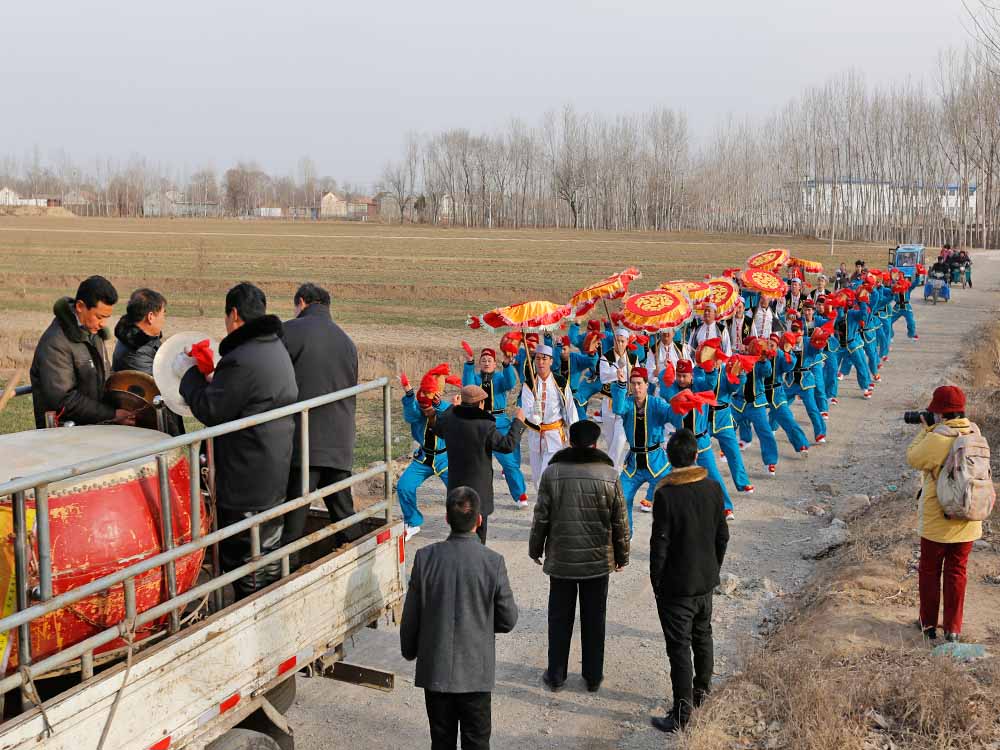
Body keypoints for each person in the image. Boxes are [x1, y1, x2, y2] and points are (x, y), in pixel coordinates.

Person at [179, 282, 298, 600]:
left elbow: (211, 408)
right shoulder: (274, 347)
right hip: (273, 466)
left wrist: (189, 377)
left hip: (247, 477)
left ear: (233, 314)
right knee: (267, 548)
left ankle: (258, 614)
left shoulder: (241, 358)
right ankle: (272, 604)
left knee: (246, 558)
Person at [400, 487, 518, 750]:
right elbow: (508, 619)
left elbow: (411, 615)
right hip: (476, 673)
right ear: (479, 520)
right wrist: (483, 623)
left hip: (436, 672)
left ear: (446, 518)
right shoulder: (493, 562)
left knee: (441, 741)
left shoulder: (425, 557)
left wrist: (409, 650)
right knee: (476, 742)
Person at [529, 419, 629, 693]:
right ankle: (593, 677)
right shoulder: (610, 475)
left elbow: (541, 517)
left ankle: (557, 675)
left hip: (561, 561)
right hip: (597, 563)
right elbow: (620, 520)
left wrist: (535, 549)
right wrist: (622, 555)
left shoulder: (552, 473)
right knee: (594, 619)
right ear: (596, 444)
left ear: (570, 442)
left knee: (559, 619)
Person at [649, 428, 729, 733]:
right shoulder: (712, 488)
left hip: (676, 587)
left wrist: (657, 583)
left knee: (679, 648)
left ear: (669, 459)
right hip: (705, 581)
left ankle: (682, 712)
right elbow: (723, 535)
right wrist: (712, 568)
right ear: (696, 456)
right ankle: (702, 695)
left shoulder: (666, 495)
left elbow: (660, 547)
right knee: (703, 636)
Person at [281, 283, 360, 558]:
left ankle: (285, 584)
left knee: (291, 526)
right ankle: (356, 564)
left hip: (304, 445)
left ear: (301, 302)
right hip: (339, 443)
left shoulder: (290, 331)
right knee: (344, 516)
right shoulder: (347, 342)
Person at [906, 385, 983, 642]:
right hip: (969, 516)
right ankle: (953, 629)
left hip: (939, 517)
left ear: (939, 413)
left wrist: (926, 430)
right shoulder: (975, 432)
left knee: (929, 570)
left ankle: (928, 625)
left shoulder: (938, 437)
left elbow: (913, 458)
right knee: (957, 571)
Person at [30, 275, 135, 428]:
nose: (102, 324)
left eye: (106, 317)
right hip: (64, 436)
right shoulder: (55, 343)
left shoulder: (93, 332)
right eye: (99, 317)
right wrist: (112, 415)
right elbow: (63, 399)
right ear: (80, 306)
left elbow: (105, 376)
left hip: (93, 427)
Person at [433, 385, 527, 543]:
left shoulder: (450, 421)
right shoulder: (485, 425)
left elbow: (438, 429)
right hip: (479, 490)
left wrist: (452, 408)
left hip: (456, 487)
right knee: (479, 534)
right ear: (481, 404)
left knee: (458, 532)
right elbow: (507, 445)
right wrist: (518, 422)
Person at [462, 343, 529, 508]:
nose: (486, 362)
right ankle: (474, 495)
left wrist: (507, 365)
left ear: (494, 363)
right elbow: (467, 386)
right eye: (483, 360)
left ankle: (520, 494)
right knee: (476, 463)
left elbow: (510, 383)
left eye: (489, 360)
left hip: (499, 423)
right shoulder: (476, 378)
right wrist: (469, 363)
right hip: (478, 423)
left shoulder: (500, 377)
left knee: (509, 462)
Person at [112, 287, 184, 435]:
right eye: (163, 314)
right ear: (151, 317)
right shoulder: (136, 352)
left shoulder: (143, 341)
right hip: (150, 428)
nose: (164, 319)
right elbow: (156, 389)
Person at [396, 367, 455, 541]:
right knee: (404, 486)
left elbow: (451, 416)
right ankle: (413, 522)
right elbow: (410, 414)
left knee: (458, 491)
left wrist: (439, 405)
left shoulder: (444, 407)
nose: (425, 400)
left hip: (445, 458)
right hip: (423, 458)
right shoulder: (417, 409)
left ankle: (458, 526)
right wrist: (408, 395)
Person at [612, 367, 674, 528]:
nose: (636, 387)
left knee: (670, 499)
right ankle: (626, 536)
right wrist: (620, 384)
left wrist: (677, 402)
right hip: (633, 465)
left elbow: (672, 416)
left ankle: (670, 537)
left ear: (647, 385)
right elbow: (617, 408)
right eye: (633, 384)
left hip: (657, 463)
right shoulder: (627, 403)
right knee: (621, 499)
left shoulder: (657, 403)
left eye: (639, 383)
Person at [522, 344, 578, 492]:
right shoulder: (529, 384)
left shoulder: (560, 382)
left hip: (554, 437)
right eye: (538, 359)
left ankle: (548, 510)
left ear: (551, 361)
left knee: (546, 476)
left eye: (544, 359)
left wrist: (575, 435)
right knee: (535, 478)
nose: (541, 362)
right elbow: (526, 410)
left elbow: (570, 408)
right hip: (536, 436)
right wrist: (535, 414)